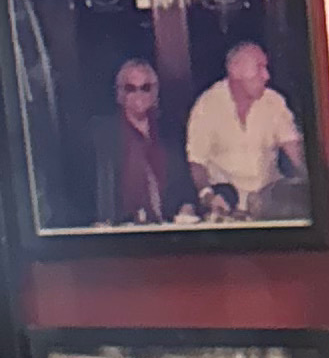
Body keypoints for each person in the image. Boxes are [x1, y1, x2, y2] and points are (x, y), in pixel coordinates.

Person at [186, 38, 304, 220]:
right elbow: (196, 161)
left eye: (266, 68)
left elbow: (294, 151)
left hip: (270, 203)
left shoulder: (274, 102)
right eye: (259, 68)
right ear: (235, 71)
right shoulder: (207, 105)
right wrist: (208, 196)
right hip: (228, 205)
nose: (266, 76)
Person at [85, 56, 183, 228]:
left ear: (155, 93)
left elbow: (183, 183)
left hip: (166, 225)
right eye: (130, 88)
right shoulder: (102, 133)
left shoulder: (168, 132)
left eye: (145, 88)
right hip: (121, 227)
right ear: (120, 94)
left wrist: (186, 206)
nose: (139, 95)